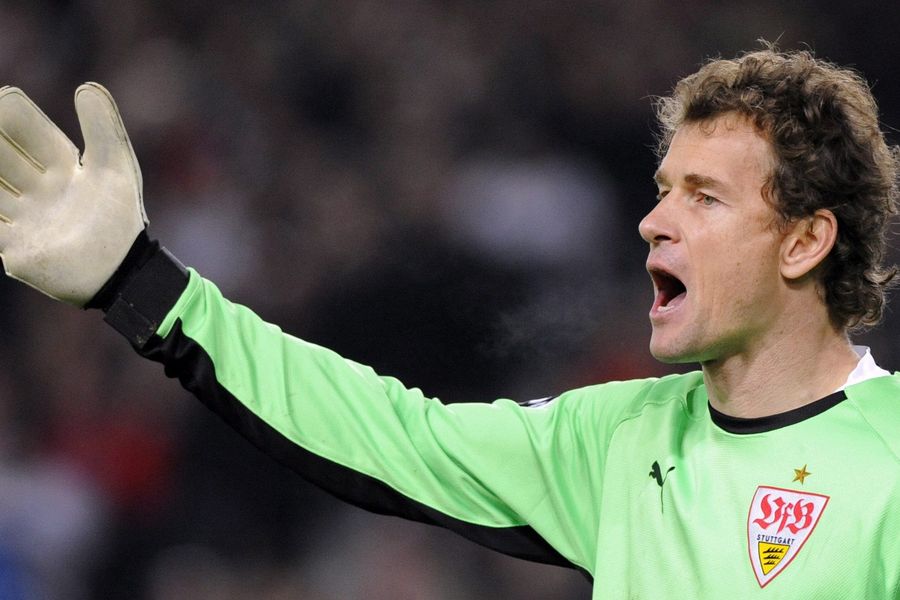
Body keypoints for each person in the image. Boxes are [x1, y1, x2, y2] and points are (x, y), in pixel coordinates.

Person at [1, 45, 898, 598]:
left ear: (804, 241)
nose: (653, 221)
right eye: (663, 190)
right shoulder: (617, 439)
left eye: (704, 197)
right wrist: (140, 283)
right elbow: (385, 433)